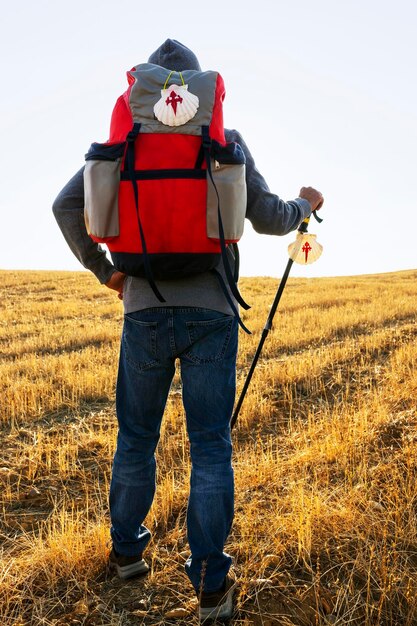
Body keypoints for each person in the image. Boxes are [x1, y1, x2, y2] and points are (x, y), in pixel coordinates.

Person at [53, 39, 323, 623]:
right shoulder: (222, 140)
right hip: (213, 315)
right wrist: (303, 205)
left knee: (136, 439)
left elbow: (64, 206)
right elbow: (271, 217)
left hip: (144, 310)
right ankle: (210, 584)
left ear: (146, 89)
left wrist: (109, 274)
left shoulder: (124, 141)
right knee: (210, 446)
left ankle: (127, 553)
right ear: (200, 89)